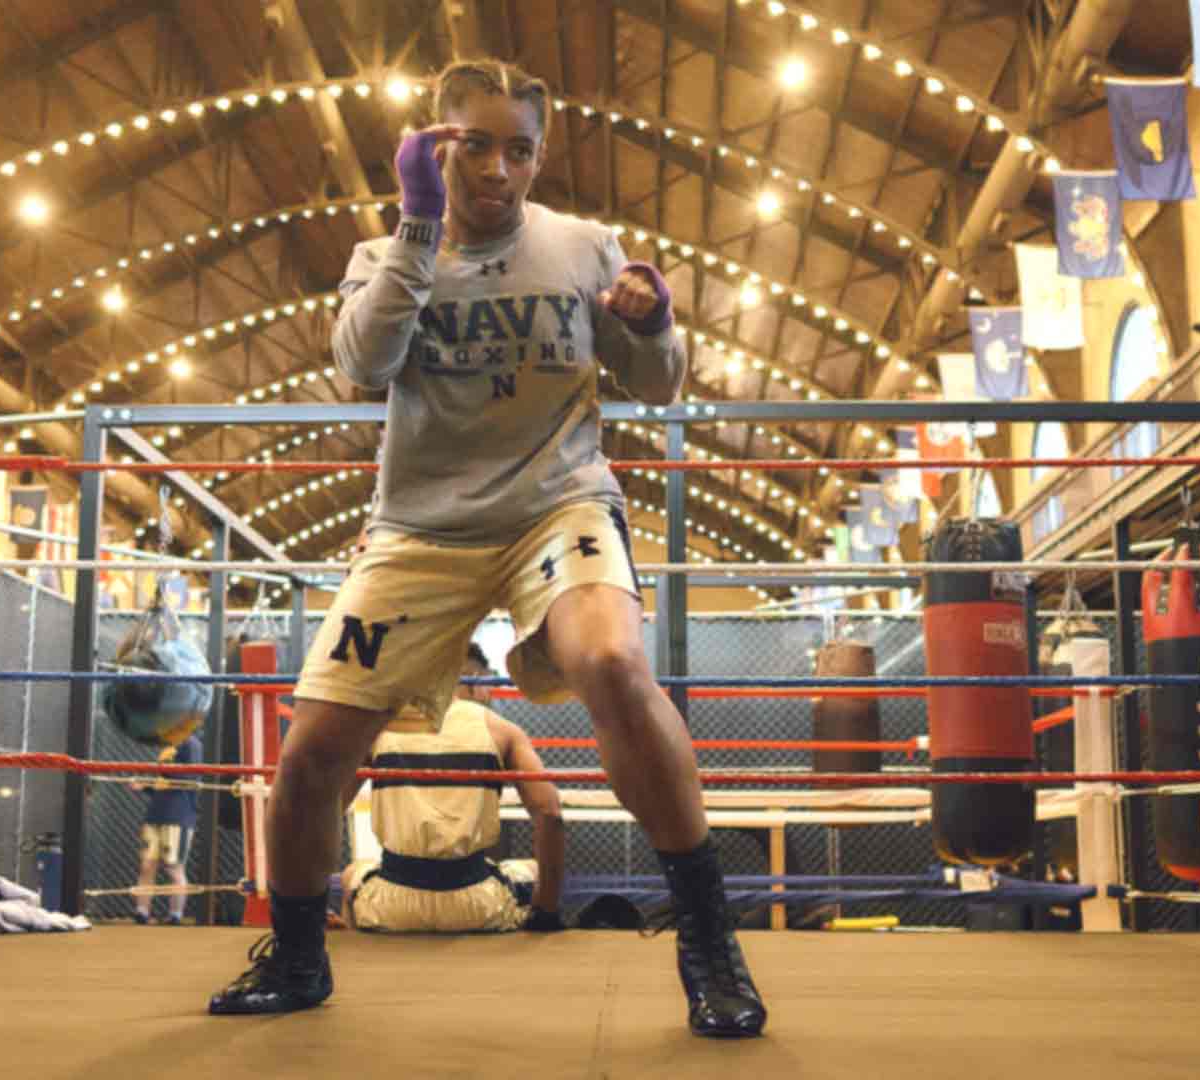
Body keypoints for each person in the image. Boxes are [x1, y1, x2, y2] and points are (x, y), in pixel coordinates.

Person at [209, 58, 766, 1037]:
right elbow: (363, 365)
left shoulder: (586, 247)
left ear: (538, 159)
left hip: (561, 504)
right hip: (421, 530)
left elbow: (659, 385)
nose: (499, 170)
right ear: (436, 145)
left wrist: (653, 322)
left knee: (614, 665)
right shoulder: (380, 258)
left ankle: (709, 944)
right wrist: (419, 229)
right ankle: (298, 957)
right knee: (311, 753)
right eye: (476, 145)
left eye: (520, 151)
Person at [341, 643, 565, 933]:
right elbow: (550, 815)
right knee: (531, 871)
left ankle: (334, 947)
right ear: (473, 677)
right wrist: (545, 912)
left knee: (350, 875)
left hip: (390, 905)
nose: (490, 691)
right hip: (477, 906)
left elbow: (328, 807)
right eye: (487, 680)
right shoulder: (502, 730)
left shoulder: (378, 728)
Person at [129, 735, 203, 925]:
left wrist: (159, 772)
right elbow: (165, 784)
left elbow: (189, 778)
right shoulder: (168, 746)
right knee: (147, 865)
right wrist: (146, 786)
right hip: (156, 814)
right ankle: (142, 912)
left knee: (174, 867)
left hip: (178, 816)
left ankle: (175, 915)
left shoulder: (190, 744)